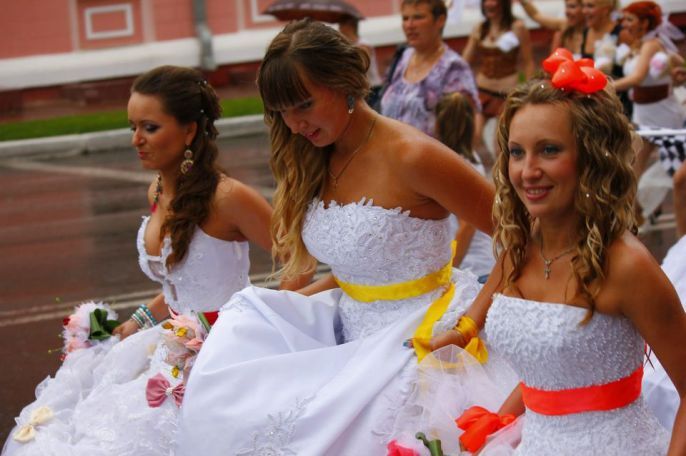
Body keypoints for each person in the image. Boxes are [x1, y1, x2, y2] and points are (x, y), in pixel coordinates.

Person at [178, 18, 495, 454]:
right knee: (240, 366)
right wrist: (285, 306)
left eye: (303, 104)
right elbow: (357, 273)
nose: (293, 125)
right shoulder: (315, 157)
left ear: (346, 82)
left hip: (420, 338)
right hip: (350, 330)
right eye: (282, 112)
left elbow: (523, 237)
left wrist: (468, 324)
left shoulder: (413, 155)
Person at [3, 65, 288, 456]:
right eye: (132, 126)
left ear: (189, 131)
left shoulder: (229, 198)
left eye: (150, 128)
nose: (137, 139)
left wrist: (247, 317)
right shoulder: (156, 189)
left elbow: (297, 260)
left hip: (222, 355)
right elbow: (180, 285)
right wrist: (134, 324)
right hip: (169, 345)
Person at [427, 54, 686, 454]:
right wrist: (499, 419)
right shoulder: (518, 248)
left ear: (590, 157)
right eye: (516, 152)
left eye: (548, 150)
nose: (527, 171)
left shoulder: (627, 266)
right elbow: (548, 376)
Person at [380, 0, 479, 138]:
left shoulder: (453, 67)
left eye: (418, 17)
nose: (409, 25)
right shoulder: (402, 58)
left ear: (440, 20)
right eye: (405, 18)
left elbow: (461, 133)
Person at [613, 2, 685, 179]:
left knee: (675, 171)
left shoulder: (651, 45)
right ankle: (637, 206)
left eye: (630, 20)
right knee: (633, 171)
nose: (625, 24)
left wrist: (606, 86)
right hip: (643, 115)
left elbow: (637, 77)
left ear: (644, 23)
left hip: (663, 115)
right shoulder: (639, 45)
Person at [462, 0, 535, 155]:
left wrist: (529, 91)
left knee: (500, 144)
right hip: (482, 90)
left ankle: (500, 176)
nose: (490, 4)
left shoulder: (517, 27)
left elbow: (528, 61)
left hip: (506, 93)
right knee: (474, 136)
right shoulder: (480, 28)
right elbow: (464, 61)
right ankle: (487, 172)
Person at [435, 91, 495, 279]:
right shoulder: (471, 159)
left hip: (472, 269)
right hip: (480, 263)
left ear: (438, 124)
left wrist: (449, 272)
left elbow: (468, 224)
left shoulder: (452, 167)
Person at [338, 14, 383, 107]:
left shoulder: (363, 45)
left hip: (372, 90)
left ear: (350, 26)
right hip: (361, 91)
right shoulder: (348, 46)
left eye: (341, 25)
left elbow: (360, 68)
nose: (339, 29)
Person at [518, 0, 585, 55]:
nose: (567, 12)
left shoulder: (593, 31)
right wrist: (523, 1)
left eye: (572, 7)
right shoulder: (565, 25)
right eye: (566, 7)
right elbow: (536, 16)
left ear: (585, 8)